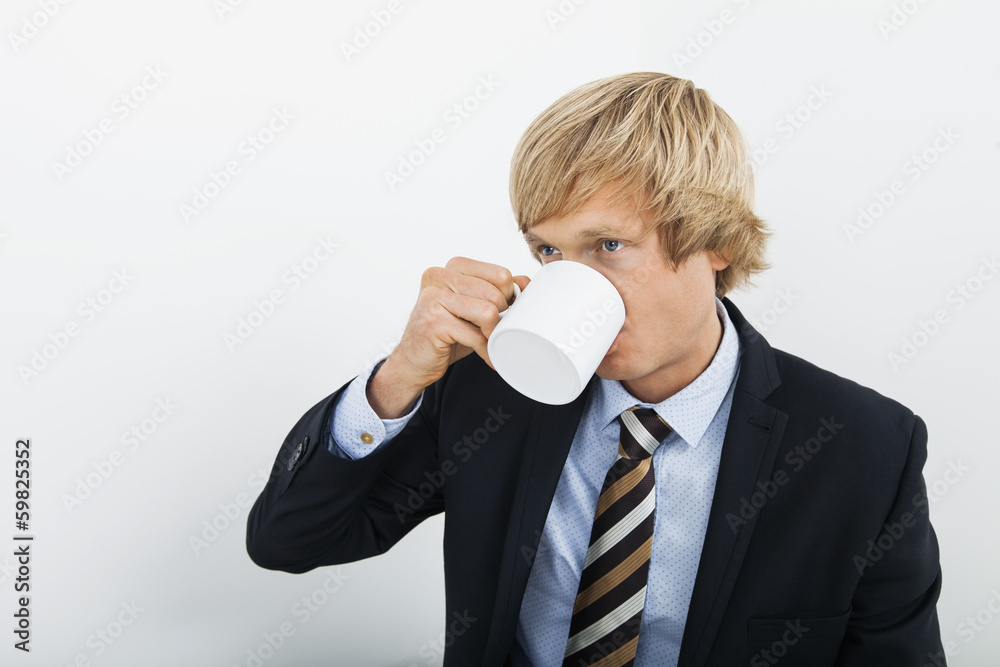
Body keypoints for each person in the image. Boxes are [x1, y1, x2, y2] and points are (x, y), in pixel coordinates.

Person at [246, 72, 945, 666]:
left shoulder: (863, 446)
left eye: (608, 244)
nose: (575, 282)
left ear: (719, 242)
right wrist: (399, 376)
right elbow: (290, 539)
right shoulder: (490, 391)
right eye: (549, 252)